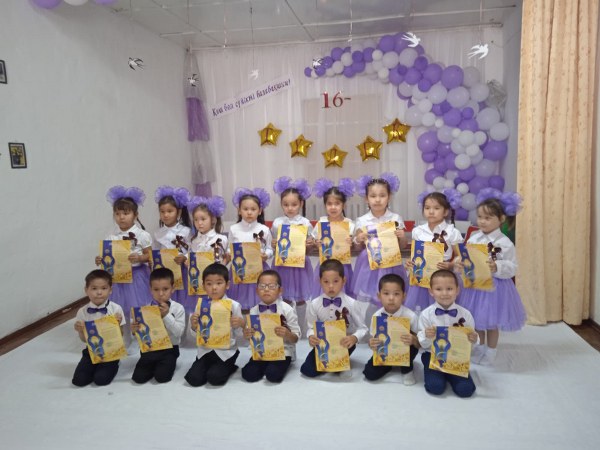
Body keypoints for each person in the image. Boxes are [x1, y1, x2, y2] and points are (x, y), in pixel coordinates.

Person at [456, 189, 526, 365]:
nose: (482, 221)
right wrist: (462, 263)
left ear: (501, 219)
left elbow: (513, 267)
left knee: (492, 322)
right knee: (477, 319)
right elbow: (468, 257)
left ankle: (491, 351)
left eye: (487, 218)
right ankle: (480, 347)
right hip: (475, 287)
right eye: (480, 217)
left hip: (495, 288)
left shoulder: (504, 243)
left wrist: (497, 267)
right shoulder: (474, 237)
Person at [351, 173, 407, 320]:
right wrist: (358, 239)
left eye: (382, 195)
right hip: (369, 266)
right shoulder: (362, 220)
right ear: (366, 198)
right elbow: (357, 248)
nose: (377, 199)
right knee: (374, 298)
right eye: (373, 196)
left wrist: (402, 236)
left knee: (390, 294)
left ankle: (391, 324)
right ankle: (373, 325)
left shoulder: (395, 218)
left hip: (391, 264)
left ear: (389, 197)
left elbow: (402, 246)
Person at [301, 259, 367, 378]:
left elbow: (362, 328)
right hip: (323, 343)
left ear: (343, 281)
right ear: (320, 281)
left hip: (344, 343)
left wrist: (354, 338)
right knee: (307, 370)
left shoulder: (352, 303)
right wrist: (311, 336)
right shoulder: (314, 304)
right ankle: (335, 363)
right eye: (326, 282)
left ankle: (340, 361)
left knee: (335, 368)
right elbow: (311, 327)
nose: (331, 286)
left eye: (336, 281)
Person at [418, 269, 478, 398]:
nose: (444, 293)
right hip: (432, 355)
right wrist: (427, 336)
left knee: (465, 390)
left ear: (457, 290)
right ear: (431, 291)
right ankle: (439, 374)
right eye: (439, 289)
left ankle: (451, 375)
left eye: (449, 289)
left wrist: (473, 339)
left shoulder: (466, 314)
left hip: (456, 356)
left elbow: (471, 341)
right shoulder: (426, 314)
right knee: (435, 387)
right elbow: (423, 345)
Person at [184, 263, 244, 387]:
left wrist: (240, 324)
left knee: (215, 378)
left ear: (227, 285)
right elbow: (194, 337)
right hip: (205, 350)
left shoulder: (234, 305)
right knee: (194, 379)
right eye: (209, 284)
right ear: (203, 286)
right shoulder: (200, 306)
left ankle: (230, 366)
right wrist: (194, 326)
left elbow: (240, 336)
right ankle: (210, 366)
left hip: (226, 352)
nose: (214, 288)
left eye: (219, 283)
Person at [96, 185, 153, 312]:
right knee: (119, 308)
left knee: (138, 306)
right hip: (118, 278)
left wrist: (140, 258)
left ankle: (138, 323)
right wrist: (101, 259)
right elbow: (108, 257)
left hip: (137, 276)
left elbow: (150, 255)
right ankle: (123, 324)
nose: (121, 217)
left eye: (126, 213)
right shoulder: (112, 237)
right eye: (117, 214)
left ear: (135, 215)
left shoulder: (142, 235)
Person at [405, 190, 464, 313]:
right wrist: (410, 262)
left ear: (445, 211)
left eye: (436, 208)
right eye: (427, 208)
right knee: (420, 310)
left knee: (441, 308)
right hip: (421, 277)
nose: (431, 211)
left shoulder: (452, 232)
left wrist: (451, 264)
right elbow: (415, 254)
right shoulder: (418, 231)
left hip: (443, 276)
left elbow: (461, 256)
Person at [241, 270, 301, 383]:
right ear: (257, 290)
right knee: (248, 374)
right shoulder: (253, 310)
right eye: (262, 286)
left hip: (283, 351)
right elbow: (250, 336)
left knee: (273, 375)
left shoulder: (287, 309)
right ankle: (265, 365)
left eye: (272, 286)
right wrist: (247, 334)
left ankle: (273, 366)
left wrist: (287, 334)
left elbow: (296, 338)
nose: (266, 289)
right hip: (261, 351)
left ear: (280, 290)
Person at [130, 268, 185, 384]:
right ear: (150, 290)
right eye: (156, 289)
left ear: (173, 288)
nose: (160, 294)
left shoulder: (178, 308)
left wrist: (166, 315)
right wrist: (134, 331)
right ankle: (152, 364)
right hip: (150, 349)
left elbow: (179, 333)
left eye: (165, 289)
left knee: (162, 377)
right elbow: (141, 335)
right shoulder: (144, 309)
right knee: (138, 378)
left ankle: (167, 363)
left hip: (170, 349)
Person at [363, 274, 419, 385]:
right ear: (379, 296)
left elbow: (419, 343)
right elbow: (374, 339)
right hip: (385, 351)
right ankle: (388, 365)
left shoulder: (411, 316)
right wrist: (371, 343)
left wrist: (413, 340)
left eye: (396, 294)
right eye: (386, 293)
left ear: (404, 296)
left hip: (405, 351)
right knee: (369, 374)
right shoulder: (376, 316)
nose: (391, 298)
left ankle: (406, 369)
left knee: (411, 344)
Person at [72, 270, 125, 387]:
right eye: (94, 288)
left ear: (110, 290)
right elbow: (84, 340)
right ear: (86, 290)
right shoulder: (82, 311)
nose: (99, 292)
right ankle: (94, 366)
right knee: (79, 381)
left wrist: (117, 326)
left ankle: (115, 363)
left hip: (111, 351)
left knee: (101, 380)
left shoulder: (116, 309)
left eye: (104, 288)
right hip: (91, 350)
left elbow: (121, 335)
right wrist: (80, 331)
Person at [270, 177, 314, 306]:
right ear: (281, 205)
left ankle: (300, 319)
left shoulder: (305, 223)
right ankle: (287, 318)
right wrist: (273, 244)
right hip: (282, 265)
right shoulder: (277, 223)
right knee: (285, 295)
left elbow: (309, 249)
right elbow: (274, 246)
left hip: (300, 265)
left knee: (301, 297)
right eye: (286, 205)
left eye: (294, 204)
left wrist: (309, 245)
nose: (290, 208)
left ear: (301, 204)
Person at [227, 188, 272, 311]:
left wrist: (266, 255)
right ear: (239, 210)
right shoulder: (233, 229)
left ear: (260, 211)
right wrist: (230, 254)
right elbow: (229, 248)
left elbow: (269, 249)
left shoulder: (264, 229)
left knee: (259, 303)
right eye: (245, 209)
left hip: (259, 269)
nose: (249, 212)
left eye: (253, 209)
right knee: (240, 305)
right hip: (239, 270)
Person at [310, 178, 356, 299]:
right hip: (325, 264)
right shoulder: (321, 223)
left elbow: (355, 246)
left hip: (343, 265)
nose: (333, 207)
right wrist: (316, 243)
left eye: (337, 203)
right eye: (329, 204)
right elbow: (314, 240)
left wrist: (352, 243)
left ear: (344, 205)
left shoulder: (349, 224)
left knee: (343, 293)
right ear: (325, 205)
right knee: (324, 293)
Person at [186, 195, 228, 313]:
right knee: (201, 311)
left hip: (216, 282)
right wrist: (187, 262)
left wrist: (224, 263)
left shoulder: (221, 239)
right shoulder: (194, 240)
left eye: (203, 219)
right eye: (196, 220)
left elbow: (226, 259)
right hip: (199, 282)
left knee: (218, 310)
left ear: (212, 219)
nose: (199, 223)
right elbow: (191, 257)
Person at [152, 186, 192, 306]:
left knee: (183, 301)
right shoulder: (157, 233)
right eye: (162, 211)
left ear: (178, 212)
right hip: (165, 273)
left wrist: (185, 257)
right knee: (167, 299)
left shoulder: (186, 231)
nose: (166, 215)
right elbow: (155, 252)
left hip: (182, 272)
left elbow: (192, 249)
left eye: (170, 211)